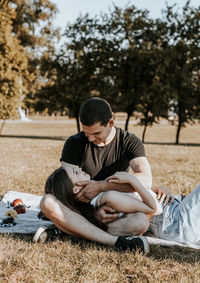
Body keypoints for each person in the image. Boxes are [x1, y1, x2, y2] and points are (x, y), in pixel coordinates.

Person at [33, 97, 156, 251]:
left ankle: (68, 233)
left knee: (141, 222)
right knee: (47, 202)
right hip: (81, 213)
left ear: (110, 123)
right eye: (86, 133)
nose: (90, 138)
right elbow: (65, 191)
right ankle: (114, 241)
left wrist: (100, 186)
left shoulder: (130, 142)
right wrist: (94, 214)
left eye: (96, 133)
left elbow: (145, 180)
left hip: (114, 212)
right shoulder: (74, 143)